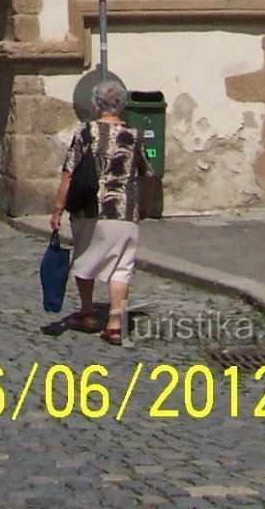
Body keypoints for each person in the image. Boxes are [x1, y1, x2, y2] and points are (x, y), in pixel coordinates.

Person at [49, 80, 155, 345]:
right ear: (122, 106)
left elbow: (69, 171)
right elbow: (149, 174)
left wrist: (58, 208)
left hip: (90, 209)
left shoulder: (86, 132)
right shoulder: (133, 135)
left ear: (97, 105)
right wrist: (144, 204)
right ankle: (115, 324)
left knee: (85, 259)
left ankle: (87, 312)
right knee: (121, 267)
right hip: (124, 211)